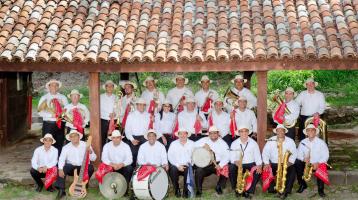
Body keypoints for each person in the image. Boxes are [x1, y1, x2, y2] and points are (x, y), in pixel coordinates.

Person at [55, 130, 97, 199]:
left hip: (83, 168)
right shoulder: (66, 147)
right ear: (70, 138)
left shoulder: (86, 144)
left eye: (75, 136)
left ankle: (84, 184)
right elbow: (61, 159)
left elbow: (94, 158)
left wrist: (91, 152)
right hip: (72, 168)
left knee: (90, 168)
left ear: (79, 137)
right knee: (64, 167)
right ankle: (61, 190)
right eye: (72, 136)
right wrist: (60, 169)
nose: (74, 138)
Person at [262, 124, 297, 199]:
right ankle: (273, 188)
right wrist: (266, 163)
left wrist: (290, 162)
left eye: (282, 130)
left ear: (285, 132)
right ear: (276, 132)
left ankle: (286, 190)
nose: (280, 132)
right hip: (274, 163)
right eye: (279, 130)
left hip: (286, 163)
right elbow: (265, 153)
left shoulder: (290, 141)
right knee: (266, 169)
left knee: (292, 170)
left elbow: (294, 154)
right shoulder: (271, 140)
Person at [194, 126, 230, 196]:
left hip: (218, 164)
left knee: (226, 168)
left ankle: (219, 187)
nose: (213, 135)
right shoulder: (204, 140)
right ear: (209, 134)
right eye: (211, 133)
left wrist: (221, 165)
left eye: (215, 133)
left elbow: (227, 156)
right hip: (207, 164)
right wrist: (202, 146)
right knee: (199, 170)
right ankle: (199, 191)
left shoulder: (223, 143)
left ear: (218, 134)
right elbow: (193, 145)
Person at [295, 124, 329, 197]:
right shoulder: (303, 142)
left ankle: (321, 190)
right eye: (308, 130)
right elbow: (298, 154)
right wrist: (303, 159)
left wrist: (318, 163)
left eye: (312, 130)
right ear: (306, 132)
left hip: (316, 164)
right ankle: (302, 184)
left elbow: (326, 156)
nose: (310, 132)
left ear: (315, 132)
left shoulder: (321, 143)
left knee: (322, 165)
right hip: (306, 163)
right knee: (297, 162)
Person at [229, 125, 262, 198]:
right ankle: (236, 189)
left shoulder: (254, 143)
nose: (244, 133)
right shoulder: (234, 143)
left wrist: (259, 166)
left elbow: (258, 157)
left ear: (248, 132)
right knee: (231, 167)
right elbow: (231, 157)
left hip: (250, 164)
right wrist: (235, 162)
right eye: (241, 131)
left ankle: (249, 191)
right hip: (238, 164)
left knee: (258, 170)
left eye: (245, 131)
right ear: (239, 133)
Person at [38, 79, 68, 154]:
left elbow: (67, 110)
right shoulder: (44, 98)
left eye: (56, 85)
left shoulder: (63, 97)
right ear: (49, 87)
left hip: (60, 123)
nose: (54, 87)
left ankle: (58, 162)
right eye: (52, 85)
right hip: (48, 124)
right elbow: (40, 112)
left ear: (58, 87)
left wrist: (61, 113)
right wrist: (51, 115)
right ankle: (46, 162)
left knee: (59, 142)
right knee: (47, 143)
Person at [167, 128, 195, 198]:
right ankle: (177, 190)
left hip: (187, 165)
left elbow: (195, 155)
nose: (182, 135)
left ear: (187, 134)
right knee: (172, 169)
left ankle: (186, 191)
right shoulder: (173, 144)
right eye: (180, 133)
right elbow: (170, 156)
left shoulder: (192, 143)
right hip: (176, 165)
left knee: (188, 169)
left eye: (184, 133)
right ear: (178, 135)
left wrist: (191, 164)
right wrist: (178, 165)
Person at [124, 98, 151, 167]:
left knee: (147, 154)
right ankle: (133, 172)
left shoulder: (148, 115)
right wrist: (132, 139)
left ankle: (145, 171)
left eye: (144, 105)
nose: (142, 106)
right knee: (133, 154)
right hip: (134, 137)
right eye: (140, 105)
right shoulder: (131, 115)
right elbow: (127, 129)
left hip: (145, 137)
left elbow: (151, 128)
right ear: (137, 105)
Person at [100, 80, 119, 147]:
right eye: (108, 86)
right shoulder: (100, 97)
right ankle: (102, 154)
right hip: (103, 120)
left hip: (114, 121)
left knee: (114, 138)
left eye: (111, 86)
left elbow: (119, 108)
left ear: (113, 88)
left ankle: (113, 154)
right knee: (102, 138)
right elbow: (98, 109)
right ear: (105, 87)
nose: (110, 88)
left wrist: (115, 113)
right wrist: (108, 113)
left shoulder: (116, 97)